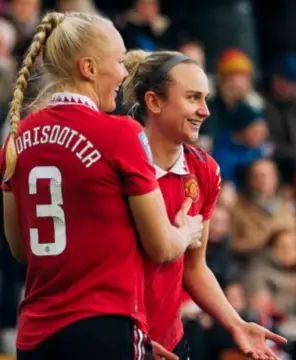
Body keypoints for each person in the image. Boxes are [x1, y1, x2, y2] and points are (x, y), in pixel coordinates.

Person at [1, 12, 204, 360]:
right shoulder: (122, 133)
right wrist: (186, 231)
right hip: (105, 328)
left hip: (35, 337)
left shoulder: (18, 138)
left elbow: (20, 248)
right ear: (89, 68)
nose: (125, 73)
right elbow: (161, 246)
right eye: (119, 62)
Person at [121, 49, 288, 360]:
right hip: (120, 340)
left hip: (170, 340)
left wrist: (236, 324)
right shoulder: (117, 164)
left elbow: (194, 268)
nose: (205, 111)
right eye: (193, 98)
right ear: (154, 102)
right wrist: (128, 337)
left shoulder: (205, 170)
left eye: (206, 99)